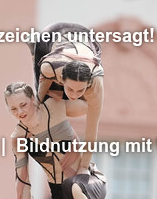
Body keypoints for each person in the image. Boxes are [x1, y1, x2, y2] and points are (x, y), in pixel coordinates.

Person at [6, 82, 107, 199]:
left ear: (33, 99)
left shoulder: (54, 106)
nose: (20, 112)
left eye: (23, 105)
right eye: (13, 109)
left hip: (88, 181)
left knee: (72, 186)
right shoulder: (18, 137)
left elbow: (89, 105)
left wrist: (65, 93)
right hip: (61, 197)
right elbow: (22, 177)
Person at [31, 22, 104, 173]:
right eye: (70, 89)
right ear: (61, 79)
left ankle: (61, 93)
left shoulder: (96, 83)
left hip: (86, 38)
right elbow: (39, 103)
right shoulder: (49, 67)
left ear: (88, 84)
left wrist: (84, 166)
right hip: (50, 37)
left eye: (80, 91)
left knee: (84, 107)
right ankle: (33, 48)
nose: (74, 95)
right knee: (46, 105)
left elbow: (92, 129)